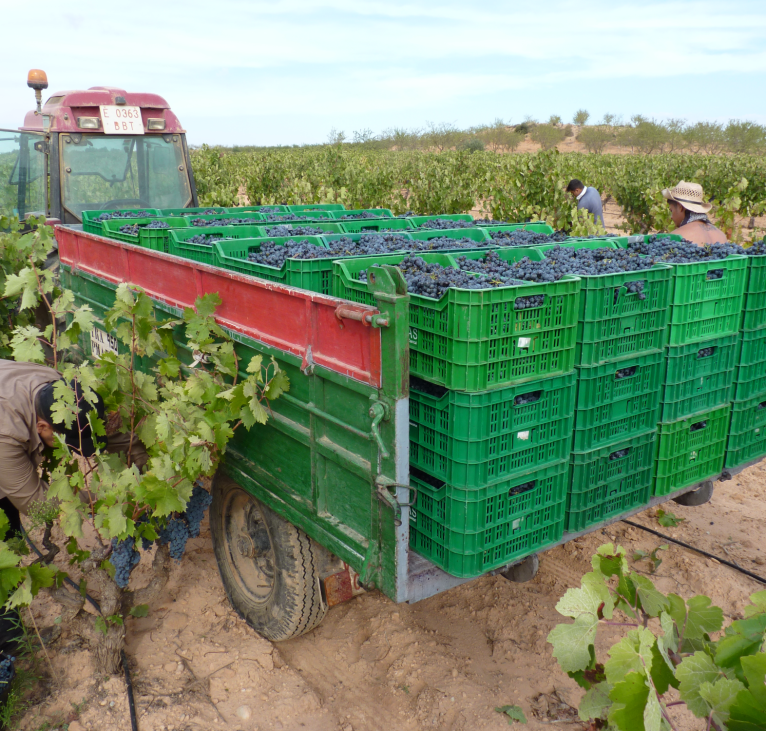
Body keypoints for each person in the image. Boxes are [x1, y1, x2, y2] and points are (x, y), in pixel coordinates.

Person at [662, 181, 727, 245]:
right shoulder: (721, 236)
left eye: (671, 210)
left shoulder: (677, 237)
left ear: (680, 207)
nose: (671, 217)